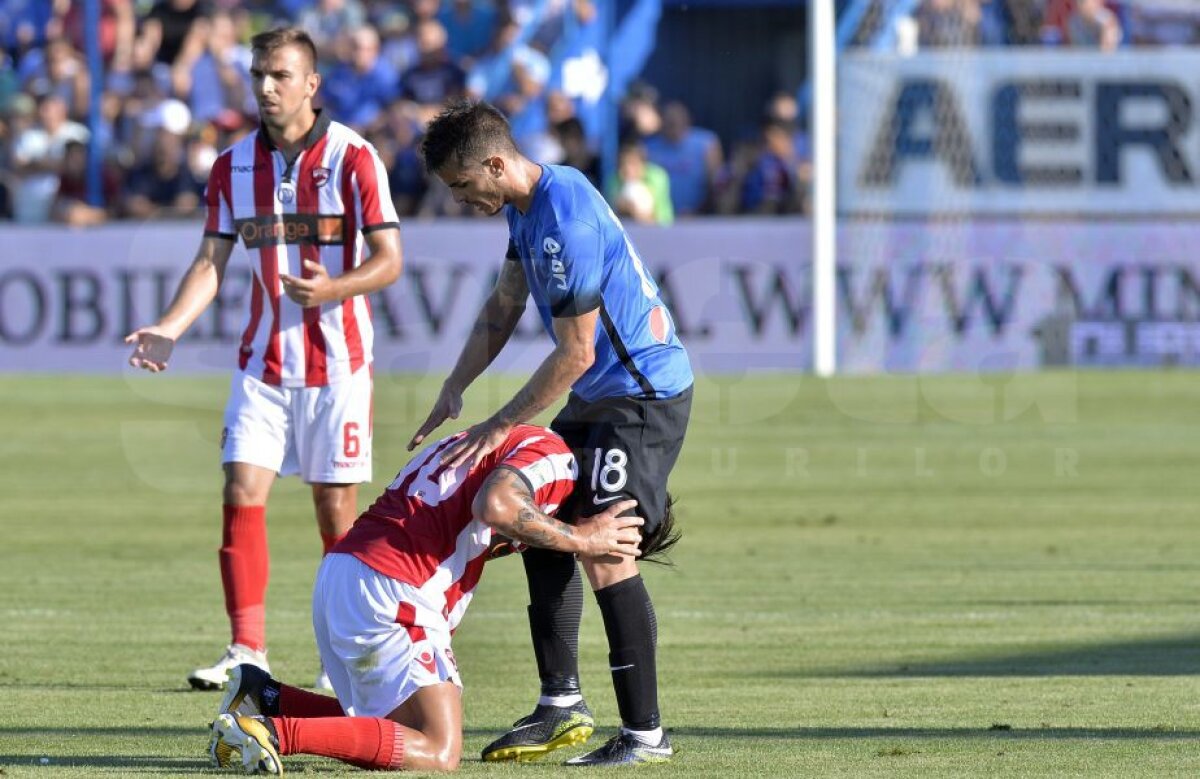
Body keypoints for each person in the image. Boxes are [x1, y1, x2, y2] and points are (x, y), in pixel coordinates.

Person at [409, 99, 693, 766]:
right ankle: (560, 702)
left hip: (640, 395)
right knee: (539, 519)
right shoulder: (526, 205)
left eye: (461, 185)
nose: (459, 200)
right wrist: (456, 384)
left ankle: (645, 737)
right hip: (602, 395)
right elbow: (506, 303)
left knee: (605, 546)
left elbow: (576, 354)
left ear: (495, 164)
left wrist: (499, 423)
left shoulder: (564, 219)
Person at [124, 27, 403, 691]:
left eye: (280, 75)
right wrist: (170, 326)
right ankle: (247, 650)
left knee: (335, 512)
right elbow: (210, 261)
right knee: (240, 490)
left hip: (338, 367)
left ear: (312, 83)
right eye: (258, 76)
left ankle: (343, 655)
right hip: (262, 365)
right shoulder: (232, 166)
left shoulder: (354, 157)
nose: (267, 88)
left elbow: (391, 260)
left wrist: (333, 288)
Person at [207, 424, 659, 774]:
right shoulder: (554, 457)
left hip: (348, 572)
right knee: (439, 750)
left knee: (396, 726)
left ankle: (266, 697)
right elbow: (498, 506)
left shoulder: (505, 441)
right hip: (392, 589)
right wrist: (584, 538)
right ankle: (268, 731)